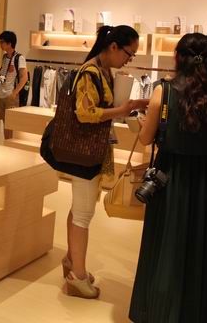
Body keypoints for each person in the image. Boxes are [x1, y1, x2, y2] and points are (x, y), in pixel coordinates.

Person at [130, 33, 207, 322]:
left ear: (177, 57)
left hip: (171, 177)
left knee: (167, 243)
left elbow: (145, 138)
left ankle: (159, 311)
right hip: (206, 180)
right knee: (199, 244)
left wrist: (143, 123)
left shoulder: (164, 91)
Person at [61, 25, 147, 299]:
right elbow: (85, 113)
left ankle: (72, 262)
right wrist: (122, 109)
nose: (129, 60)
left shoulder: (102, 70)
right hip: (84, 151)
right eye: (129, 54)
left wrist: (130, 105)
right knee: (83, 213)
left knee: (79, 208)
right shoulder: (91, 72)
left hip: (89, 150)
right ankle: (77, 276)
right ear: (113, 47)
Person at [0, 31, 29, 139]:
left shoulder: (19, 58)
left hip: (11, 95)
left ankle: (9, 144)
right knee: (4, 122)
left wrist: (15, 93)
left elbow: (24, 78)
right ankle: (6, 143)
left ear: (9, 43)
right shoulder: (4, 57)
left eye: (2, 42)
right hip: (2, 93)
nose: (0, 44)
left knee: (10, 124)